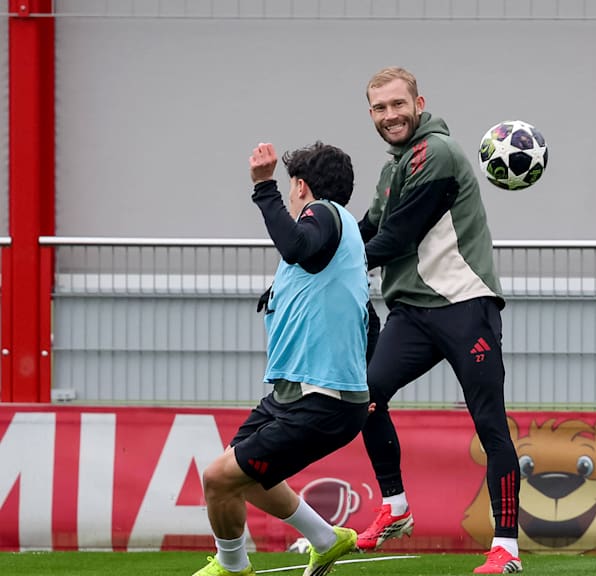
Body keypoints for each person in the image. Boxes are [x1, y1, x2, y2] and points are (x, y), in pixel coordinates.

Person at [353, 66, 522, 575]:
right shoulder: (394, 167)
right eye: (380, 108)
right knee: (365, 397)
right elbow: (364, 230)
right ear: (371, 115)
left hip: (465, 305)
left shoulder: (438, 152)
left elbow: (396, 237)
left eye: (398, 105)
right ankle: (396, 507)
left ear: (419, 103)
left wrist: (330, 264)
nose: (390, 115)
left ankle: (507, 549)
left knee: (490, 425)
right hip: (412, 313)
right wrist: (309, 250)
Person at [193, 141, 370, 576]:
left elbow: (294, 246)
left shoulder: (323, 213)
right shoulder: (342, 239)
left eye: (291, 188)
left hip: (320, 399)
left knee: (219, 479)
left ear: (301, 187)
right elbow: (367, 318)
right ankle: (327, 539)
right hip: (294, 395)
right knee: (243, 478)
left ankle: (233, 568)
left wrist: (262, 186)